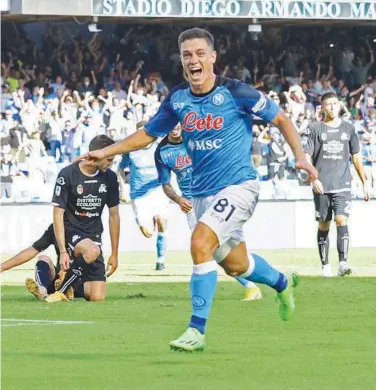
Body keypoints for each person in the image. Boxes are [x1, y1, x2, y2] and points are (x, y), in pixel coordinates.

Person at [80, 27, 317, 352]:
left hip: (239, 186)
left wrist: (301, 157)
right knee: (235, 265)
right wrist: (107, 152)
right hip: (202, 196)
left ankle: (196, 330)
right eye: (187, 55)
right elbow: (148, 134)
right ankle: (282, 282)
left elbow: (283, 120)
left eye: (200, 53)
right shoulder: (178, 99)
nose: (194, 60)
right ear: (182, 60)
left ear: (213, 58)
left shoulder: (237, 92)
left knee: (199, 242)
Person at [155, 123, 262, 301]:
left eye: (177, 122)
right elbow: (165, 183)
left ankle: (265, 281)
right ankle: (259, 283)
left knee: (230, 244)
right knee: (209, 247)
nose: (174, 126)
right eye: (170, 122)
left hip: (219, 194)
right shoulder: (162, 152)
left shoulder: (197, 137)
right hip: (192, 202)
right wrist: (178, 199)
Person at [47, 135, 120, 302]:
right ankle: (61, 291)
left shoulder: (110, 177)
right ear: (96, 154)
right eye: (108, 159)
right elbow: (57, 214)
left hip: (93, 236)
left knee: (96, 296)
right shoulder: (67, 174)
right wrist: (63, 251)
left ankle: (59, 281)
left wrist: (115, 253)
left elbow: (114, 216)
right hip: (71, 230)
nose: (110, 164)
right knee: (92, 250)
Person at [304, 92, 369, 278]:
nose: (332, 107)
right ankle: (325, 267)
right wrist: (313, 178)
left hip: (343, 183)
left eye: (335, 103)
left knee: (341, 220)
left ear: (340, 106)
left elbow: (356, 157)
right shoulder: (315, 129)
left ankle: (343, 264)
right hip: (322, 185)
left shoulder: (349, 129)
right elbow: (307, 156)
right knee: (324, 224)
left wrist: (364, 182)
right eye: (329, 104)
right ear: (323, 107)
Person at [120, 121, 169, 271]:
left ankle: (160, 261)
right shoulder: (131, 150)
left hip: (157, 190)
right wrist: (123, 188)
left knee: (162, 222)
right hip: (139, 195)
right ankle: (149, 221)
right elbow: (120, 168)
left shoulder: (159, 147)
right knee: (147, 233)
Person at [0, 223, 79, 301]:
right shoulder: (55, 228)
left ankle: (66, 289)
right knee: (43, 258)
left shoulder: (86, 229)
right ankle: (42, 291)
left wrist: (68, 272)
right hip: (59, 276)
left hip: (80, 276)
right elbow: (32, 250)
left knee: (70, 277)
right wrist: (2, 267)